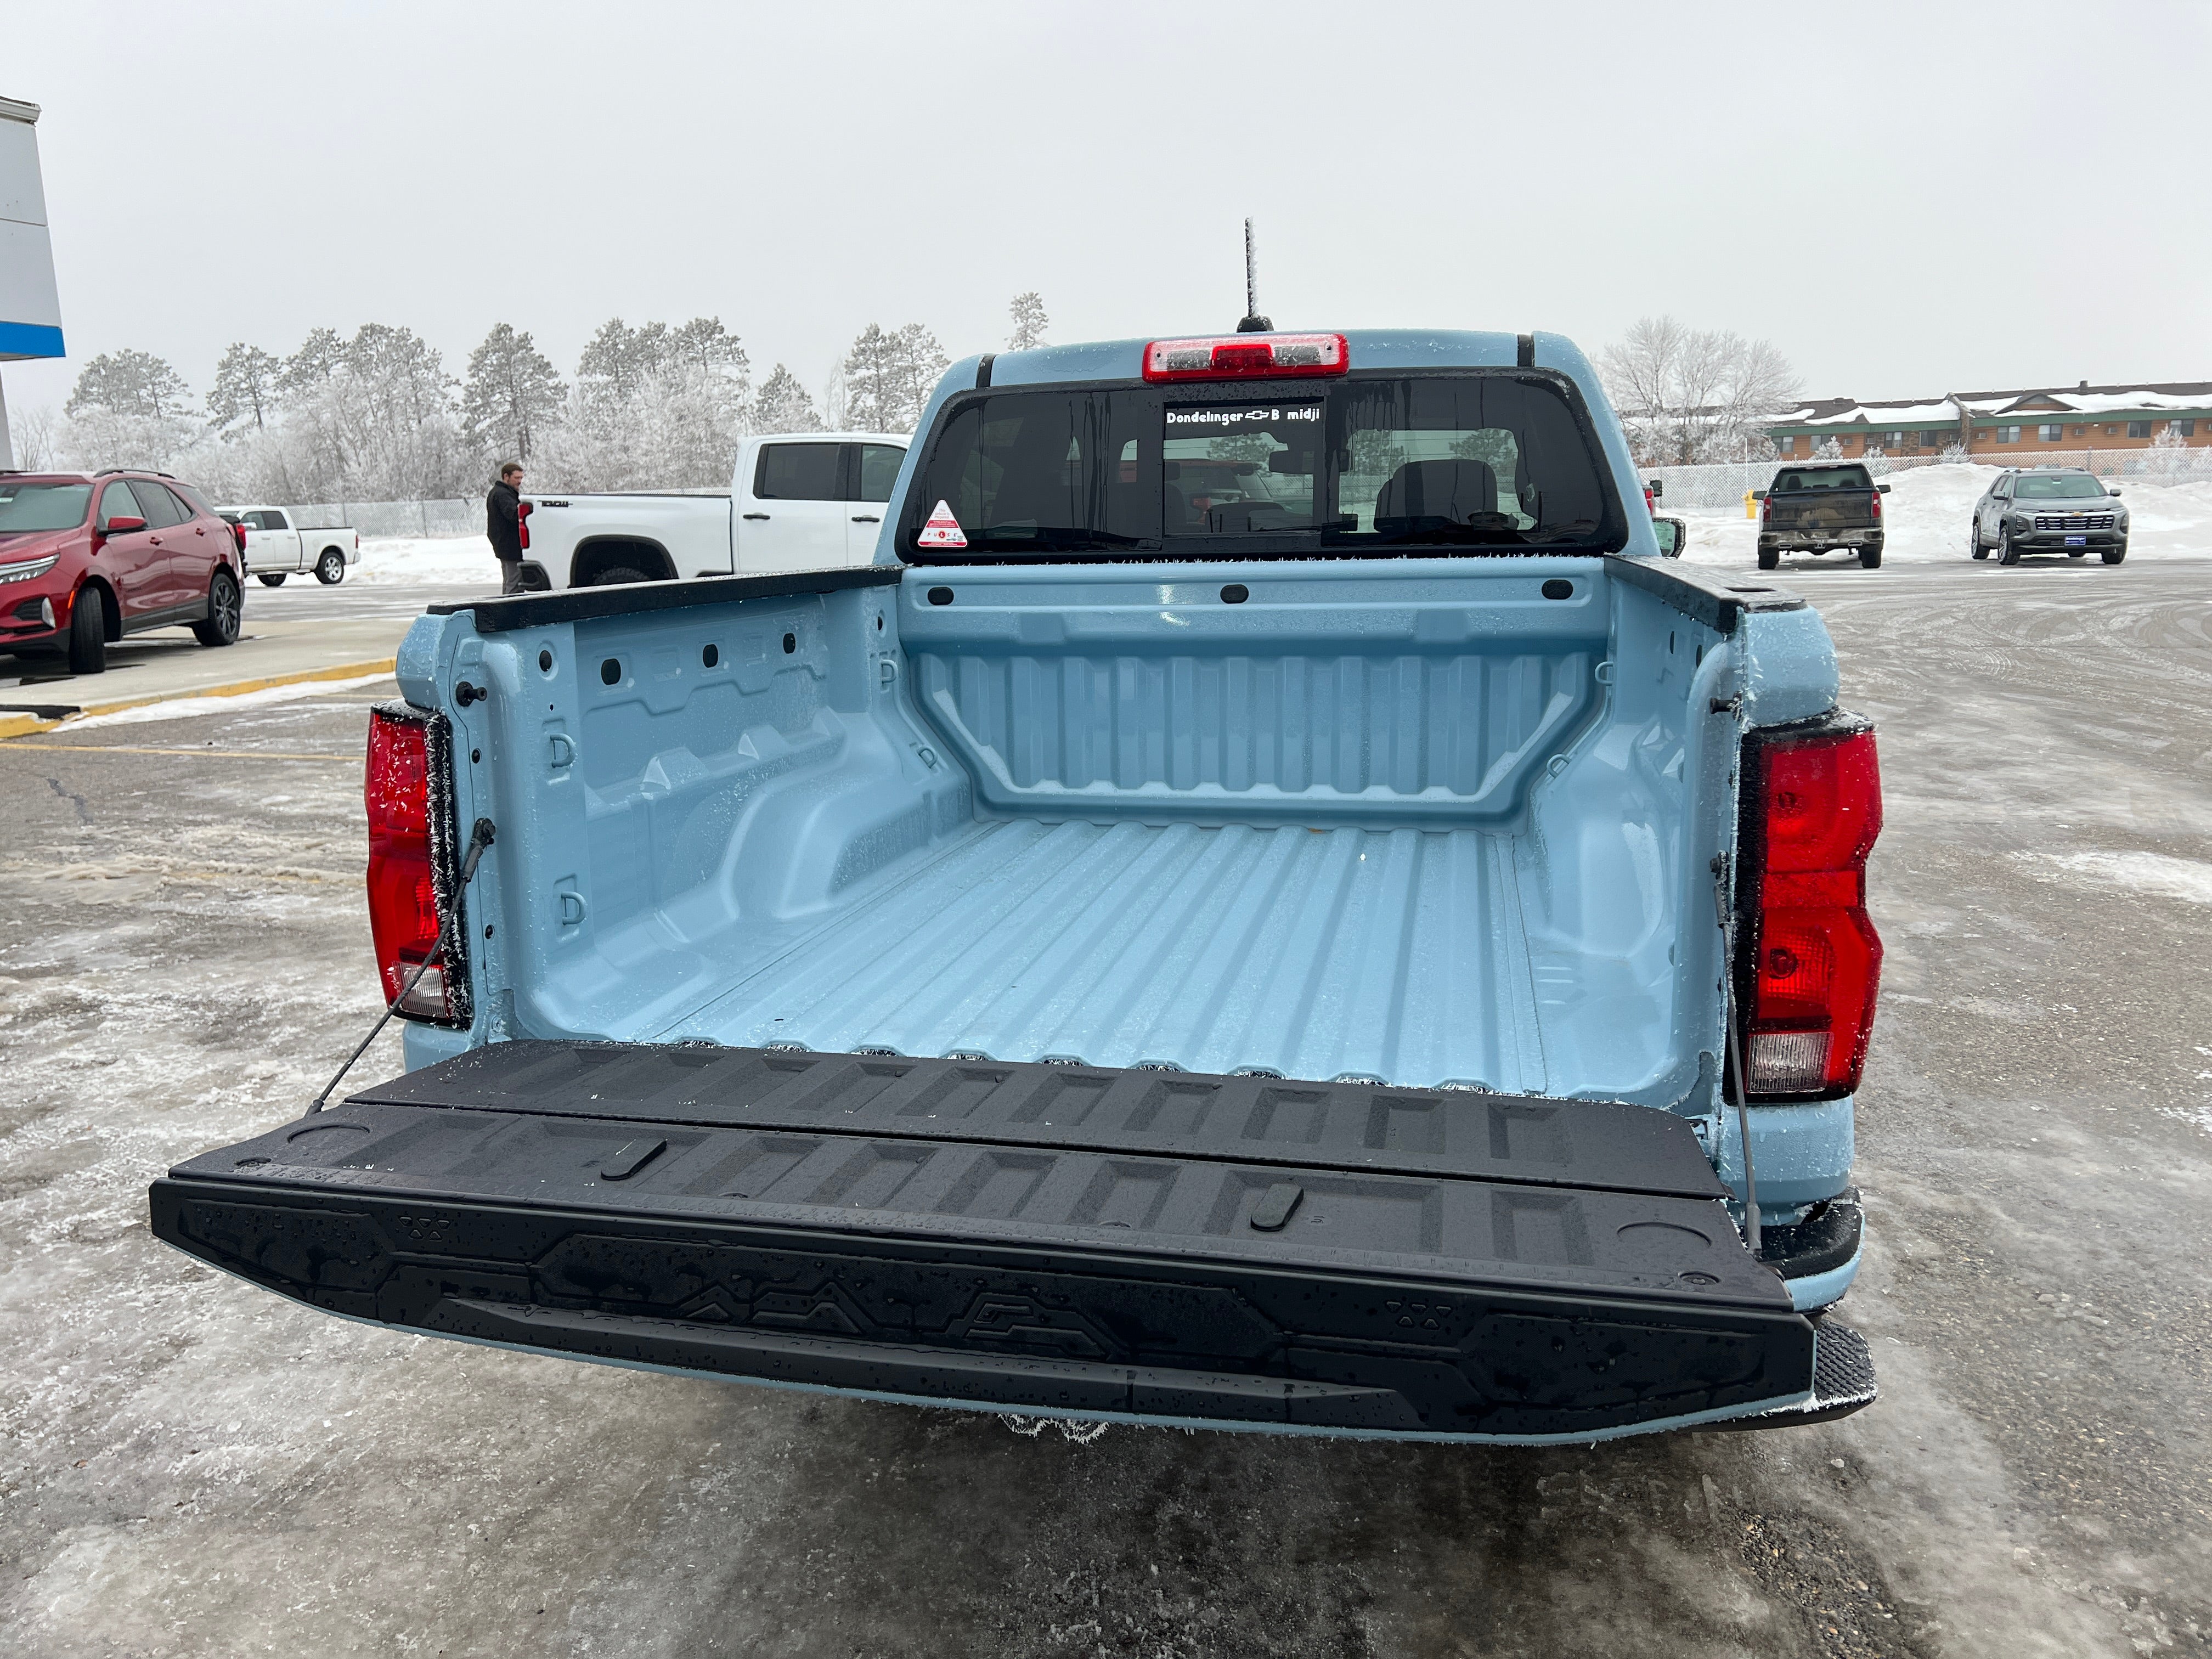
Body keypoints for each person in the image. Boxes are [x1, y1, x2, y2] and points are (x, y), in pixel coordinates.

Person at [486, 462, 526, 593]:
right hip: (510, 545)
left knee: (509, 581)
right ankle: (511, 610)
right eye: (516, 478)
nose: (520, 481)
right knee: (514, 584)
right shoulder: (503, 495)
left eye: (521, 478)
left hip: (504, 544)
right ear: (506, 476)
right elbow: (515, 515)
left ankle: (506, 607)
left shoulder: (498, 492)